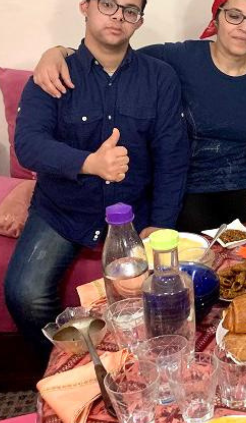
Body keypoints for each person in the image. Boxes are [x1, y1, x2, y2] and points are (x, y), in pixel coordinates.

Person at [6, 0, 189, 362]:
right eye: (108, 4)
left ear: (139, 21)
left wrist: (160, 224)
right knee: (24, 294)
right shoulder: (54, 73)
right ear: (85, 7)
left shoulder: (159, 77)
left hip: (134, 214)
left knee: (159, 303)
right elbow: (28, 144)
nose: (118, 16)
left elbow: (172, 159)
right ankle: (75, 369)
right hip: (62, 209)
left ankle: (131, 370)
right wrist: (90, 163)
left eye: (130, 10)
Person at [33, 0, 246, 233]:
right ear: (216, 18)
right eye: (234, 16)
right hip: (191, 187)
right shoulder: (180, 56)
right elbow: (112, 57)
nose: (244, 27)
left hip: (245, 184)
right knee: (200, 246)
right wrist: (59, 53)